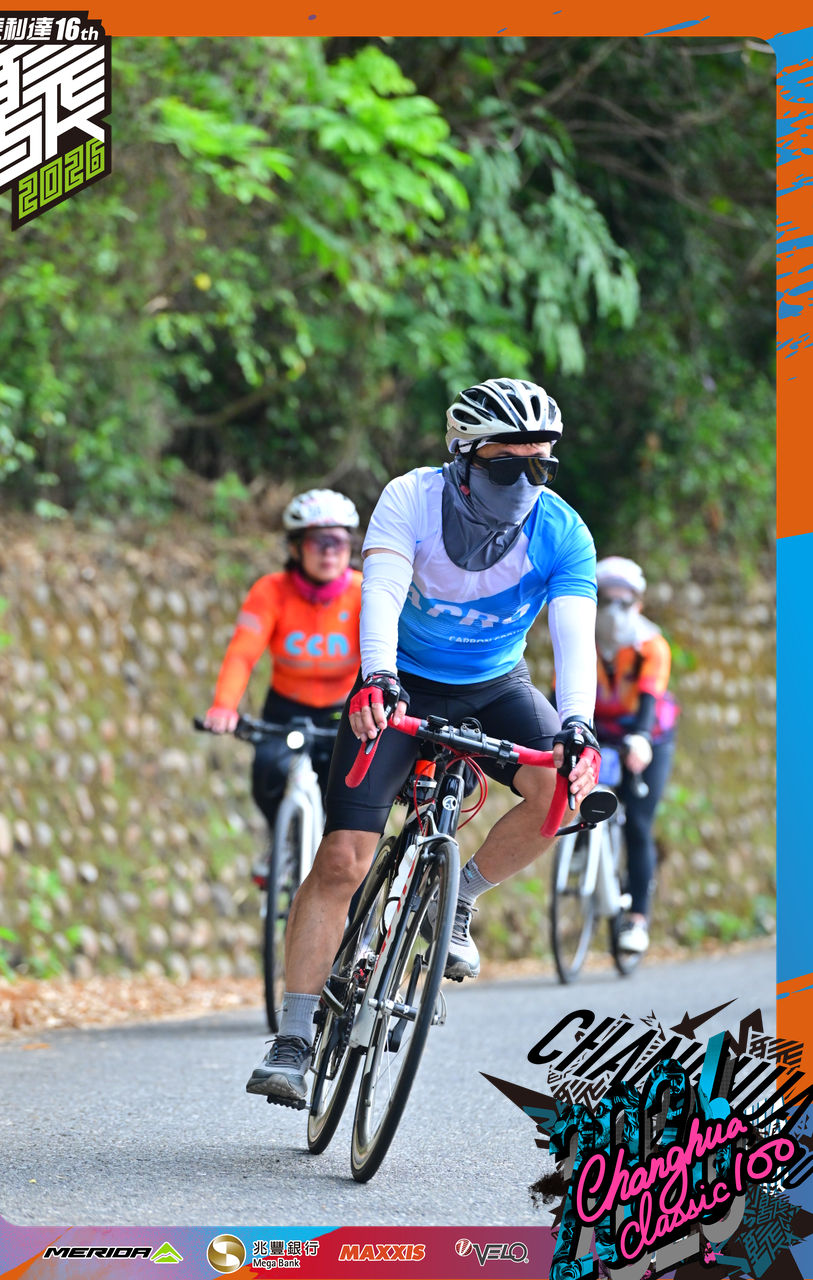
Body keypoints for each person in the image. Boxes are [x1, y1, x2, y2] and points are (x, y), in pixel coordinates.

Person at [246, 378, 602, 1107]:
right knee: (342, 859)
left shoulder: (563, 532)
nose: (524, 482)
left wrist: (577, 726)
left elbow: (575, 638)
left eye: (540, 466)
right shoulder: (412, 498)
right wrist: (377, 676)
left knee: (561, 790)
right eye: (506, 465)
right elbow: (378, 591)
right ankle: (293, 1036)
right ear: (463, 458)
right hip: (400, 677)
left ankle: (458, 900)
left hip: (495, 685)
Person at [203, 489, 362, 857]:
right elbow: (242, 654)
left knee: (348, 798)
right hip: (286, 708)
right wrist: (224, 706)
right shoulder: (270, 591)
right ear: (295, 547)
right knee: (266, 774)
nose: (329, 552)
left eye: (339, 542)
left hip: (344, 712)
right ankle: (281, 842)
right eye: (318, 542)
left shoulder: (365, 591)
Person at [593, 555, 678, 955]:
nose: (614, 611)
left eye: (623, 602)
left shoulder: (652, 646)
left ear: (638, 605)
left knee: (638, 824)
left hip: (649, 738)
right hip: (601, 732)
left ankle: (638, 919)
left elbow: (648, 703)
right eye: (606, 600)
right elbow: (562, 696)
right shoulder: (582, 640)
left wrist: (641, 739)